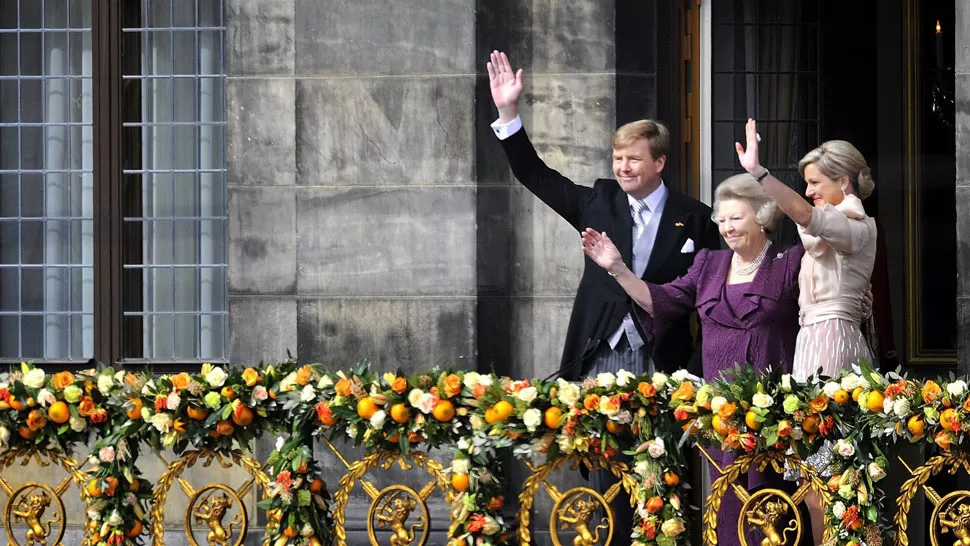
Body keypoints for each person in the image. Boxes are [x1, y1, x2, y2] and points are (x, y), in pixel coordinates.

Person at [486, 50, 720, 543]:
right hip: (601, 354)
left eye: (634, 157)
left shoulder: (695, 218)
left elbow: (708, 298)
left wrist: (701, 366)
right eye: (618, 158)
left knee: (660, 470)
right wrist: (509, 113)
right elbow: (535, 174)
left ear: (659, 161)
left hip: (663, 359)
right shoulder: (598, 200)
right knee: (602, 467)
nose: (623, 166)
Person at [581, 174, 801, 546]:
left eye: (736, 218)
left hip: (773, 418)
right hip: (720, 417)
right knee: (727, 505)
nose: (727, 228)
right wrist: (617, 268)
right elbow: (661, 301)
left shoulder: (789, 261)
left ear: (762, 217)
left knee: (771, 512)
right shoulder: (709, 264)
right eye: (722, 219)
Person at [735, 119, 877, 546]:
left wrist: (760, 174)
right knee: (816, 478)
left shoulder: (855, 224)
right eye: (807, 183)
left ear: (844, 181)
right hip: (811, 340)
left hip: (833, 343)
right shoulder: (833, 225)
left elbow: (804, 214)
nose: (810, 190)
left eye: (815, 182)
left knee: (840, 476)